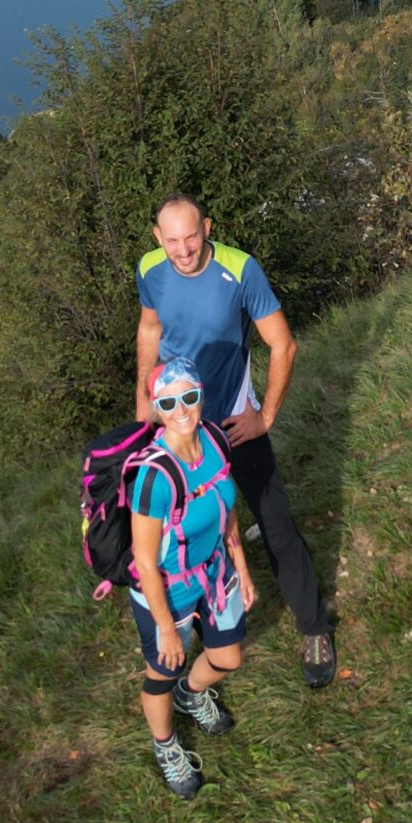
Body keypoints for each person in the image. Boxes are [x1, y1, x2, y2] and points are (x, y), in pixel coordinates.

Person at [136, 193, 336, 688]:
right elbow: (149, 328)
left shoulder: (240, 270)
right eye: (173, 241)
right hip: (176, 424)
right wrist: (145, 397)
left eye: (192, 237)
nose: (183, 251)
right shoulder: (150, 268)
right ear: (158, 239)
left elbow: (282, 342)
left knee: (274, 520)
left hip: (229, 421)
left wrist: (264, 416)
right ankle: (197, 621)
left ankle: (313, 627)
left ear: (208, 227)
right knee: (177, 530)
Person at [129, 360, 256, 801]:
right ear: (157, 409)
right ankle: (166, 746)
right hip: (169, 590)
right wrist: (166, 627)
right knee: (162, 671)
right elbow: (145, 562)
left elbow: (227, 506)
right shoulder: (153, 479)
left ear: (200, 394)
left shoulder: (216, 440)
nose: (181, 409)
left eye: (188, 397)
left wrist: (240, 564)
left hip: (216, 570)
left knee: (228, 657)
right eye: (168, 402)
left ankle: (192, 693)